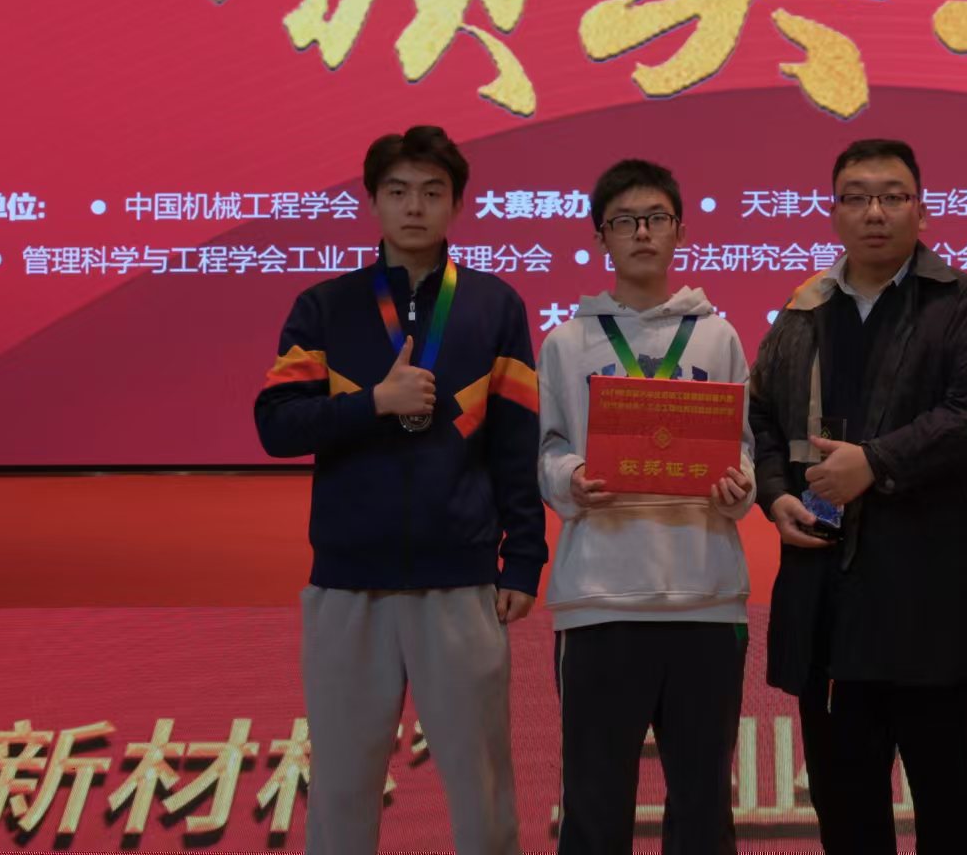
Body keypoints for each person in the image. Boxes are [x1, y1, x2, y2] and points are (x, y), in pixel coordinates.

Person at [254, 125, 545, 855]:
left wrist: (523, 560)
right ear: (374, 201)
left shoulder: (494, 305)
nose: (414, 207)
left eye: (432, 192)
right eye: (398, 191)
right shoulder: (325, 306)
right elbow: (276, 426)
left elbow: (516, 444)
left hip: (462, 581)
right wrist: (374, 403)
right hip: (348, 584)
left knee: (481, 787)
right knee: (342, 789)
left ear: (456, 204)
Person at [750, 138, 967, 855]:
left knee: (953, 819)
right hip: (833, 610)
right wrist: (774, 495)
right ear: (833, 211)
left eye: (893, 196)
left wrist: (876, 462)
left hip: (937, 610)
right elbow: (762, 417)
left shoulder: (959, 302)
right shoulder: (804, 311)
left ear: (920, 210)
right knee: (849, 821)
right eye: (857, 197)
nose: (875, 212)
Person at [537, 158, 756, 855]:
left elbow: (744, 448)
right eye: (625, 221)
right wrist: (570, 478)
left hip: (706, 598)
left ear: (680, 231)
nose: (641, 233)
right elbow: (546, 449)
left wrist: (741, 486)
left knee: (702, 805)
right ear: (600, 236)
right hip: (600, 600)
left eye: (656, 218)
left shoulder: (718, 337)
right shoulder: (566, 343)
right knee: (595, 803)